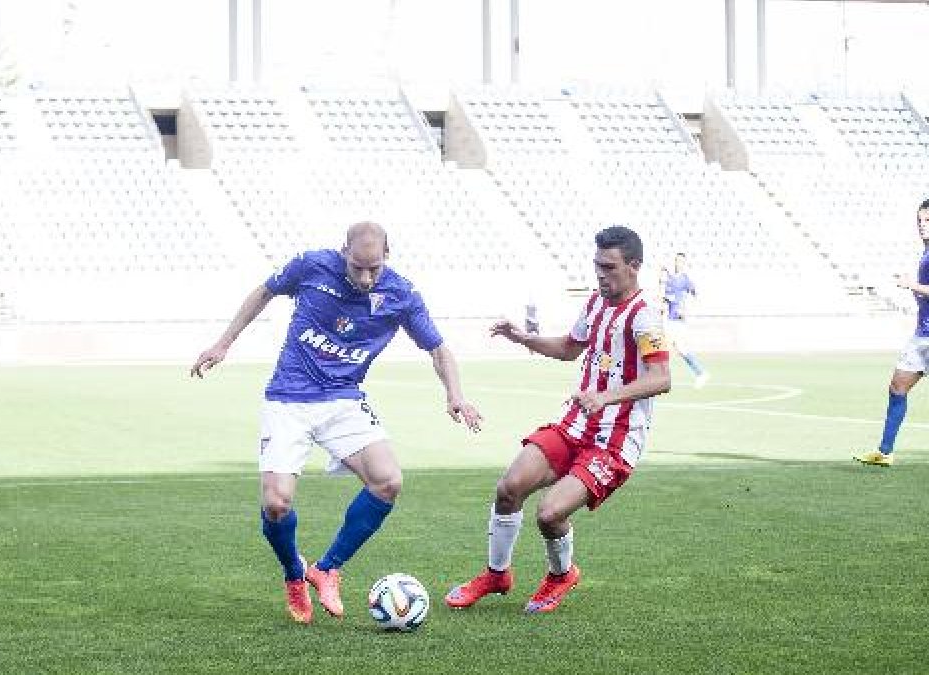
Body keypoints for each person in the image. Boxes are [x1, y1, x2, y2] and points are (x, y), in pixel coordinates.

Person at [190, 221, 483, 625]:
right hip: (289, 398)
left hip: (344, 400)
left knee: (388, 481)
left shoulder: (401, 294)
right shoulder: (311, 266)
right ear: (343, 251)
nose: (365, 278)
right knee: (276, 504)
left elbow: (438, 349)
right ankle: (295, 573)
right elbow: (263, 292)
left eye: (374, 269)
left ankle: (327, 568)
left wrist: (455, 395)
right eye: (358, 267)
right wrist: (223, 343)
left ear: (387, 256)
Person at [445, 226, 670, 615]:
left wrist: (604, 396)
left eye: (609, 267)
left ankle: (561, 574)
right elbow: (569, 348)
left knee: (550, 514)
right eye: (597, 265)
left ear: (634, 266)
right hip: (575, 425)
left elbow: (661, 378)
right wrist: (522, 338)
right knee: (509, 487)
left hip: (614, 440)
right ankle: (497, 574)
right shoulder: (595, 304)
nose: (600, 274)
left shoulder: (645, 318)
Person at [854, 198, 929, 467]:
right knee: (897, 387)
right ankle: (885, 452)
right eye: (919, 221)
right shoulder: (925, 252)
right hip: (922, 335)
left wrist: (912, 285)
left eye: (928, 221)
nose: (922, 226)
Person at [660, 252, 708, 388]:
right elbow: (664, 296)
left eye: (681, 261)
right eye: (677, 261)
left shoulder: (685, 279)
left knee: (674, 347)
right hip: (669, 319)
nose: (678, 263)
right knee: (674, 347)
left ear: (684, 264)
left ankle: (700, 373)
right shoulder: (669, 279)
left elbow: (696, 294)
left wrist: (686, 309)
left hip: (678, 320)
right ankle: (700, 373)